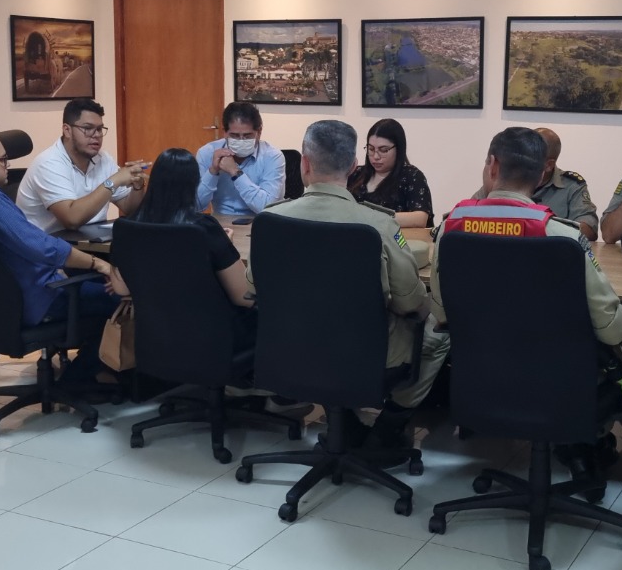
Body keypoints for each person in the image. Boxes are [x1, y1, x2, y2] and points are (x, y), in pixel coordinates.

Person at [432, 127, 622, 483]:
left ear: (492, 166)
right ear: (542, 174)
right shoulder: (563, 237)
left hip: (481, 376)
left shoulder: (452, 228)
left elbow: (441, 313)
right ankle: (583, 447)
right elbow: (610, 328)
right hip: (559, 384)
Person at [247, 120, 446, 452]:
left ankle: (346, 422)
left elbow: (254, 285)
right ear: (354, 165)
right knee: (439, 333)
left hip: (291, 346)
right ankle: (388, 427)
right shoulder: (378, 225)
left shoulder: (271, 219)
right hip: (363, 353)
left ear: (304, 163)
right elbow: (410, 301)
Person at [105, 148, 307, 416]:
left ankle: (241, 384)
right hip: (215, 341)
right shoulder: (203, 229)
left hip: (157, 339)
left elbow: (121, 288)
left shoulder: (128, 227)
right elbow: (242, 296)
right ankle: (278, 393)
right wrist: (223, 246)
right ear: (193, 184)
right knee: (278, 310)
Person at [0, 126, 117, 384]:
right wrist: (97, 263)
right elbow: (44, 248)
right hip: (39, 299)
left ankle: (95, 373)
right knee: (125, 300)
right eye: (2, 160)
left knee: (96, 286)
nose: (7, 165)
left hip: (2, 303)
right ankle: (77, 380)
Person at [16, 98, 146, 233]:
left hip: (92, 239)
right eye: (88, 128)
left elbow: (130, 209)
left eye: (99, 129)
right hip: (49, 242)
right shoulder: (48, 163)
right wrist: (113, 181)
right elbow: (72, 219)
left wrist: (137, 186)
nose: (97, 135)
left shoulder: (104, 159)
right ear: (67, 130)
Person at [473, 127, 599, 240]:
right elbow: (472, 211)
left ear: (548, 166)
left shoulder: (572, 185)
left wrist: (545, 230)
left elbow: (588, 226)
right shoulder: (501, 182)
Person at [196, 102, 286, 215]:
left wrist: (235, 172)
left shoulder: (273, 156)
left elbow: (266, 208)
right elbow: (197, 206)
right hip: (220, 221)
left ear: (259, 132)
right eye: (234, 136)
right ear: (225, 133)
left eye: (247, 136)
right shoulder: (207, 152)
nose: (241, 140)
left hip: (259, 221)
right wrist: (212, 171)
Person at [346, 118, 434, 228]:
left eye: (383, 150)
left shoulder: (412, 176)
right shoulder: (356, 173)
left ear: (399, 149)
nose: (376, 156)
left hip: (397, 238)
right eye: (371, 149)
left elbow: (420, 219)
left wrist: (372, 218)